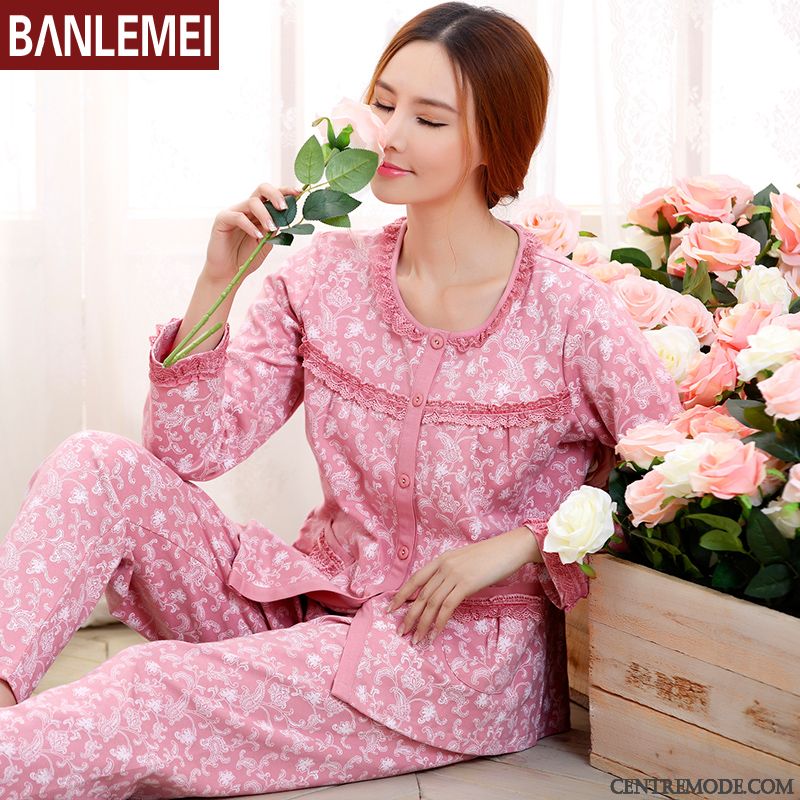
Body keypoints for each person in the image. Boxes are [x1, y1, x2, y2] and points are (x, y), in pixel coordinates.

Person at [0, 2, 683, 798]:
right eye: (383, 104)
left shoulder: (570, 315)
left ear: (493, 142)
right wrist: (219, 282)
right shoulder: (324, 278)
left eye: (429, 119)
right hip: (308, 603)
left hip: (449, 661)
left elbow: (669, 483)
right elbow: (188, 451)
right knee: (95, 464)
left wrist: (524, 544)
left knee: (149, 691)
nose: (389, 135)